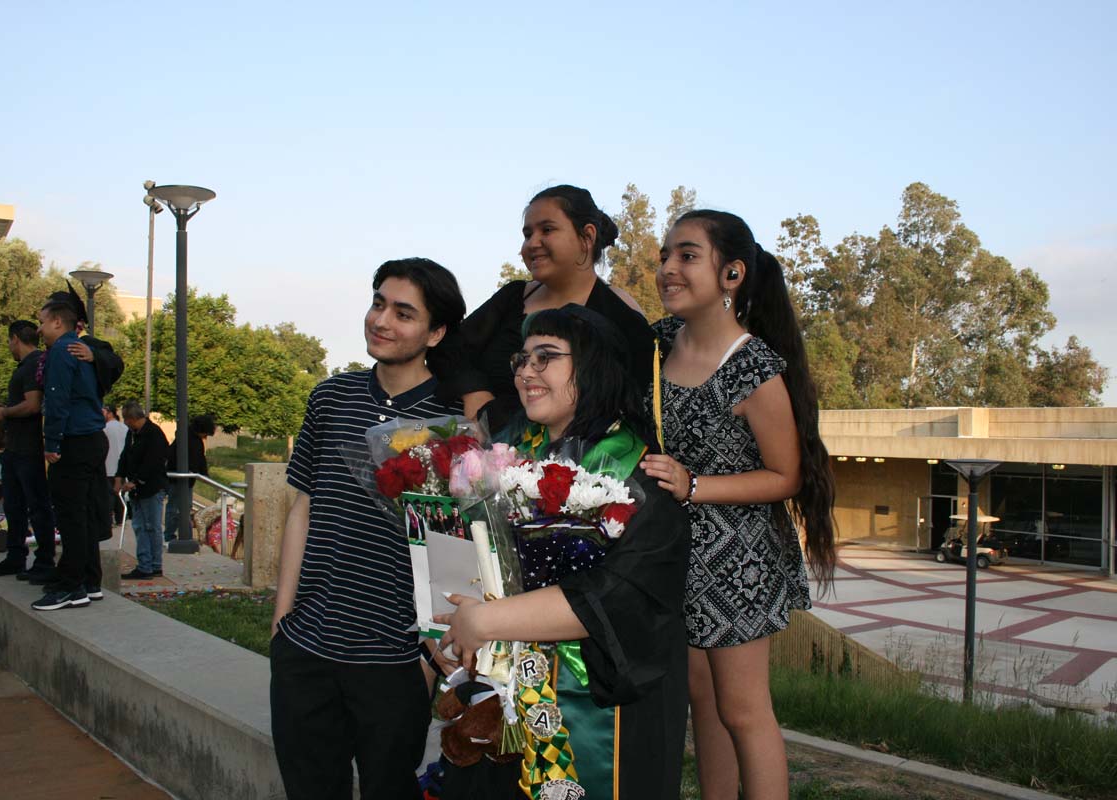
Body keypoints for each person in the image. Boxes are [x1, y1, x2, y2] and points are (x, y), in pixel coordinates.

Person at [435, 306, 690, 799]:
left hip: (596, 703)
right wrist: (446, 630)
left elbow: (620, 597)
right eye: (522, 359)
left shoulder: (641, 478)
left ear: (593, 367)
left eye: (545, 357)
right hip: (500, 690)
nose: (525, 371)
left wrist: (484, 621)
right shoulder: (502, 458)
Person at [641, 210, 836, 800]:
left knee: (744, 710)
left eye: (687, 256)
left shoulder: (753, 368)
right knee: (703, 699)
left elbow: (786, 476)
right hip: (674, 552)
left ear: (732, 274)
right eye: (666, 256)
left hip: (737, 563)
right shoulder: (657, 343)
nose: (668, 268)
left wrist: (694, 486)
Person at [270, 257, 465, 800]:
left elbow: (456, 543)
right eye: (378, 303)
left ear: (436, 332)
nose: (381, 320)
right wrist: (282, 621)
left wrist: (429, 658)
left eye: (404, 313)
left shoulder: (452, 417)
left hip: (396, 660)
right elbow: (303, 507)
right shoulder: (331, 397)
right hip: (306, 648)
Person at [435, 185, 654, 433]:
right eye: (527, 234)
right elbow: (448, 347)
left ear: (587, 237)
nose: (532, 243)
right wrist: (474, 391)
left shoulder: (619, 315)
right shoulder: (513, 297)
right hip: (484, 446)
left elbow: (631, 404)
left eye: (547, 230)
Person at [31, 295, 108, 611]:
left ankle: (70, 586)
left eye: (41, 322)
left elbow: (57, 398)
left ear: (57, 322)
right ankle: (89, 581)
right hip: (91, 438)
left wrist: (51, 443)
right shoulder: (78, 350)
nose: (38, 329)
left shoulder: (62, 351)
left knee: (71, 516)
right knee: (84, 514)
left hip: (74, 441)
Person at [0, 320, 58, 582]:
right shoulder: (28, 365)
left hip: (29, 449)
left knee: (37, 505)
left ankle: (44, 559)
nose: (9, 346)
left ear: (15, 338)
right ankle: (15, 556)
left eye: (9, 341)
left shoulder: (34, 364)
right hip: (15, 447)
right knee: (14, 505)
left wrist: (5, 412)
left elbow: (32, 404)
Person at [116, 401, 168, 580]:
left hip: (151, 487)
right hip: (137, 489)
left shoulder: (154, 434)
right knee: (140, 526)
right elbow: (125, 455)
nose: (125, 423)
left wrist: (136, 481)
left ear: (132, 418)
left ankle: (152, 565)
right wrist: (120, 476)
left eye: (126, 419)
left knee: (151, 526)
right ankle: (147, 564)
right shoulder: (132, 434)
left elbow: (154, 461)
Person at [163, 414, 216, 543]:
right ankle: (171, 535)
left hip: (187, 479)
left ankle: (181, 535)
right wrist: (200, 472)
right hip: (179, 479)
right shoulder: (187, 439)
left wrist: (203, 474)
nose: (206, 436)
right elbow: (193, 458)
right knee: (176, 508)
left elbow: (200, 459)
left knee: (183, 508)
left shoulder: (192, 439)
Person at [102, 404, 128, 526]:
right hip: (122, 466)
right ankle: (120, 519)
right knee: (120, 494)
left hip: (108, 465)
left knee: (109, 495)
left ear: (110, 413)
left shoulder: (104, 428)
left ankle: (108, 520)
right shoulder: (125, 428)